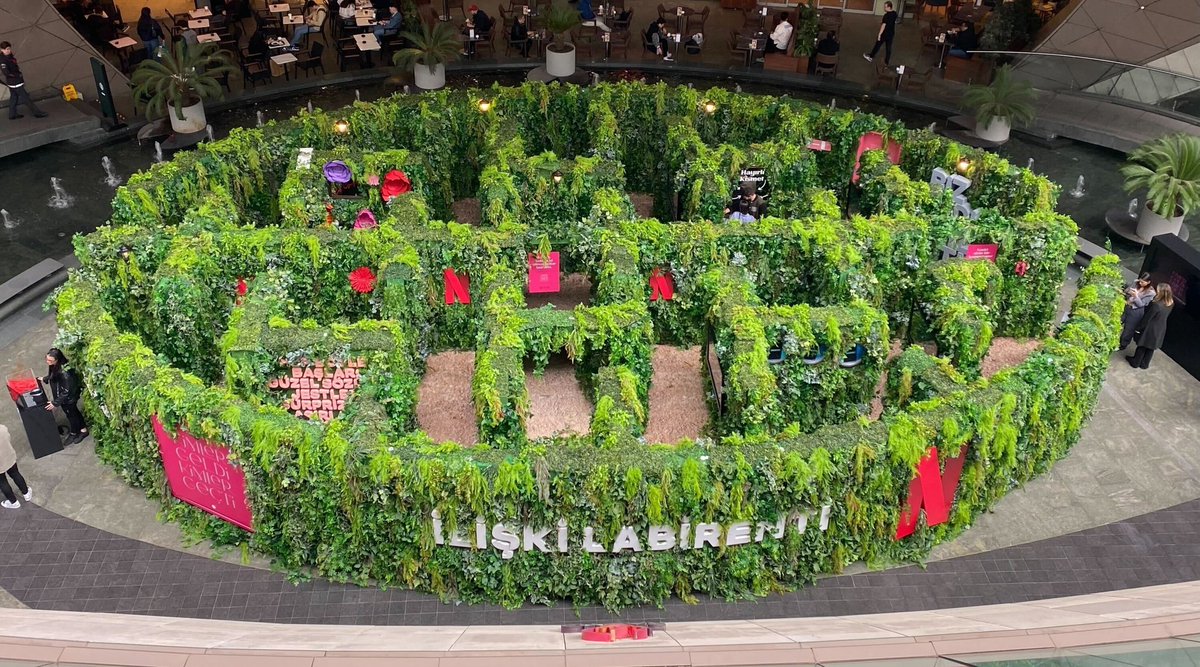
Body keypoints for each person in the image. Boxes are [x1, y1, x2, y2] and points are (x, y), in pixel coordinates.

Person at [44, 348, 87, 445]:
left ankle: (74, 432)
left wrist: (55, 403)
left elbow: (66, 391)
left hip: (68, 399)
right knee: (74, 413)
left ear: (57, 360)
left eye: (50, 360)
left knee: (71, 415)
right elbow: (53, 375)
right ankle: (83, 430)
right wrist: (46, 378)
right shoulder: (55, 366)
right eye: (46, 359)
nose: (48, 362)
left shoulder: (64, 373)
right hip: (66, 398)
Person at [1128, 283, 1174, 370]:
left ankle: (1135, 362)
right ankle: (1145, 364)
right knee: (1151, 347)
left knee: (1143, 345)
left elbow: (1147, 318)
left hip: (1151, 328)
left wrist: (1139, 328)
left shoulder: (1157, 304)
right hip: (1161, 327)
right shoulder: (1170, 302)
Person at [0, 43, 47, 120]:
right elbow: (6, 72)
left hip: (13, 82)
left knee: (14, 98)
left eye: (9, 48)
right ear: (2, 50)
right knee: (26, 98)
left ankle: (12, 114)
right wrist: (17, 76)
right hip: (15, 82)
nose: (8, 50)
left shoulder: (8, 56)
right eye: (6, 49)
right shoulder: (3, 60)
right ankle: (37, 113)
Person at [1119, 273, 1155, 350]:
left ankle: (1123, 344)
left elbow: (1141, 304)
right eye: (1140, 281)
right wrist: (1129, 291)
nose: (1140, 283)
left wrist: (1136, 296)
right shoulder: (1136, 282)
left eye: (1143, 282)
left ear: (1148, 282)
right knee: (1118, 321)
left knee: (1129, 329)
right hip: (1127, 306)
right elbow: (1126, 290)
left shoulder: (1150, 293)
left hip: (1136, 311)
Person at [0, 424, 32, 510]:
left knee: (2, 482)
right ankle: (26, 493)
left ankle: (14, 502)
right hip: (9, 457)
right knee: (15, 474)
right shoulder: (2, 428)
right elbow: (8, 438)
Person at [863, 0, 897, 65]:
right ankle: (886, 62)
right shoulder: (895, 13)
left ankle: (871, 56)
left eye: (885, 7)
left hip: (885, 34)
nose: (884, 8)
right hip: (891, 34)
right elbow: (891, 21)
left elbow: (883, 26)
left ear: (889, 7)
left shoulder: (886, 16)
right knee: (888, 48)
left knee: (878, 45)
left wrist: (879, 34)